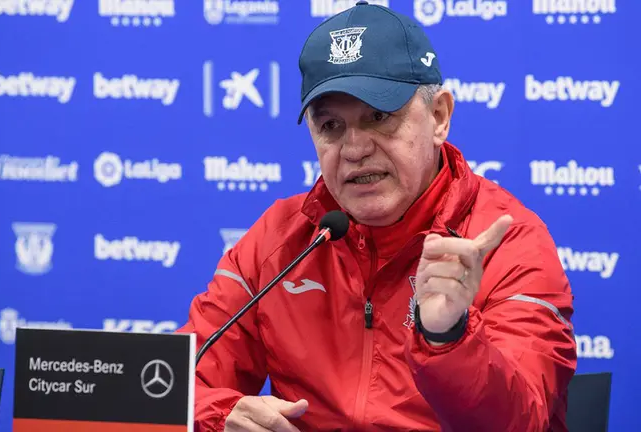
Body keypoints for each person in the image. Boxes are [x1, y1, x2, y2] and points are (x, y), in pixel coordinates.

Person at [178, 2, 577, 431]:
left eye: (380, 117)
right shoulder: (280, 239)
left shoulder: (507, 243)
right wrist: (217, 415)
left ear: (439, 116)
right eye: (331, 126)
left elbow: (523, 422)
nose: (354, 148)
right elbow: (171, 385)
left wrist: (448, 337)